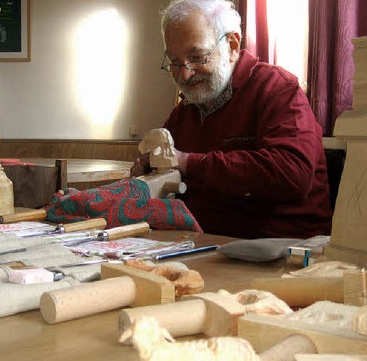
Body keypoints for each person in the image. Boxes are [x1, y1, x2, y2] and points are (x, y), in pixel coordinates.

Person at [132, 0, 332, 239]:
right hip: (203, 244)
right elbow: (170, 175)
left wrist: (188, 162)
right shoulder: (184, 110)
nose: (184, 74)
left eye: (197, 57)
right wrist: (148, 172)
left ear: (232, 45)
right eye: (174, 62)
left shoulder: (276, 88)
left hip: (281, 251)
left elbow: (293, 173)